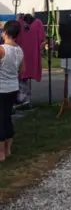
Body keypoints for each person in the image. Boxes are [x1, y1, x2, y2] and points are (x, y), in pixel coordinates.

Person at [0, 21, 24, 162]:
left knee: (0, 120)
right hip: (13, 88)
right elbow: (22, 70)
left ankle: (1, 153)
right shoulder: (19, 50)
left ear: (5, 33)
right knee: (7, 118)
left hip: (1, 89)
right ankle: (8, 149)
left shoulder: (2, 49)